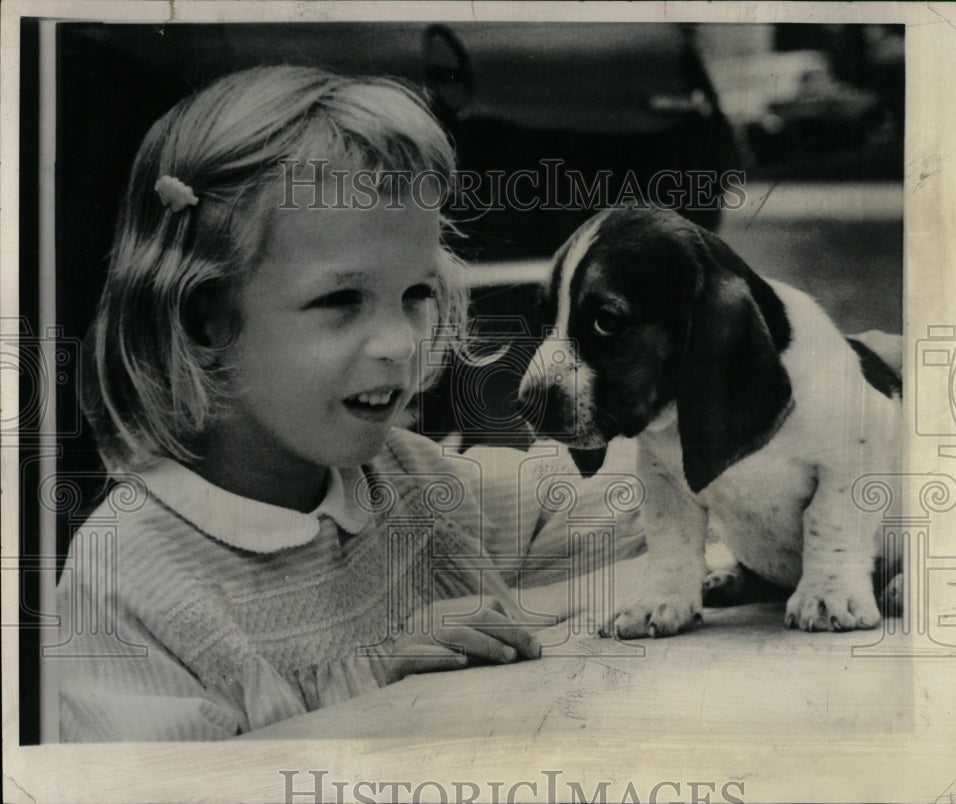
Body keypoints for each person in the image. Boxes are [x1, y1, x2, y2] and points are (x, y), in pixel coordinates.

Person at [55, 66, 645, 742]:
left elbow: (589, 502)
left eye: (416, 294)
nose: (399, 341)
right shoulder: (128, 586)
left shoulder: (405, 483)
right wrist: (380, 708)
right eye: (341, 301)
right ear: (202, 317)